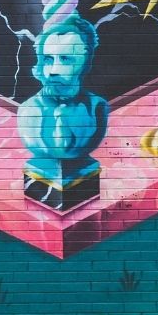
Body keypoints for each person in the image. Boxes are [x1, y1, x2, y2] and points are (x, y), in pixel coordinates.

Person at [18, 14, 109, 211]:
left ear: (86, 62)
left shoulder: (97, 108)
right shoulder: (29, 111)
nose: (53, 70)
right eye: (48, 59)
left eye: (66, 59)